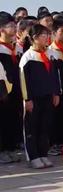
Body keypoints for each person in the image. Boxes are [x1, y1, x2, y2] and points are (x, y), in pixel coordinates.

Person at [19, 24, 60, 169]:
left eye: (47, 35)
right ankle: (33, 157)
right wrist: (27, 99)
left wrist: (56, 93)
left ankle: (43, 154)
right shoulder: (27, 57)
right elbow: (23, 81)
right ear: (34, 38)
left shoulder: (50, 54)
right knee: (32, 128)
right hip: (34, 99)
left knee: (45, 127)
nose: (46, 38)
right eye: (43, 35)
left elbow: (55, 76)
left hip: (48, 97)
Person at [0, 12, 23, 164]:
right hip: (3, 92)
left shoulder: (14, 47)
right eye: (10, 26)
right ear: (1, 29)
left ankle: (10, 148)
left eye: (15, 25)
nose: (14, 28)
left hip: (15, 91)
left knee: (13, 119)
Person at [48, 18, 63, 155]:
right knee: (55, 117)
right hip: (58, 90)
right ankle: (53, 143)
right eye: (61, 31)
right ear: (53, 33)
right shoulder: (51, 51)